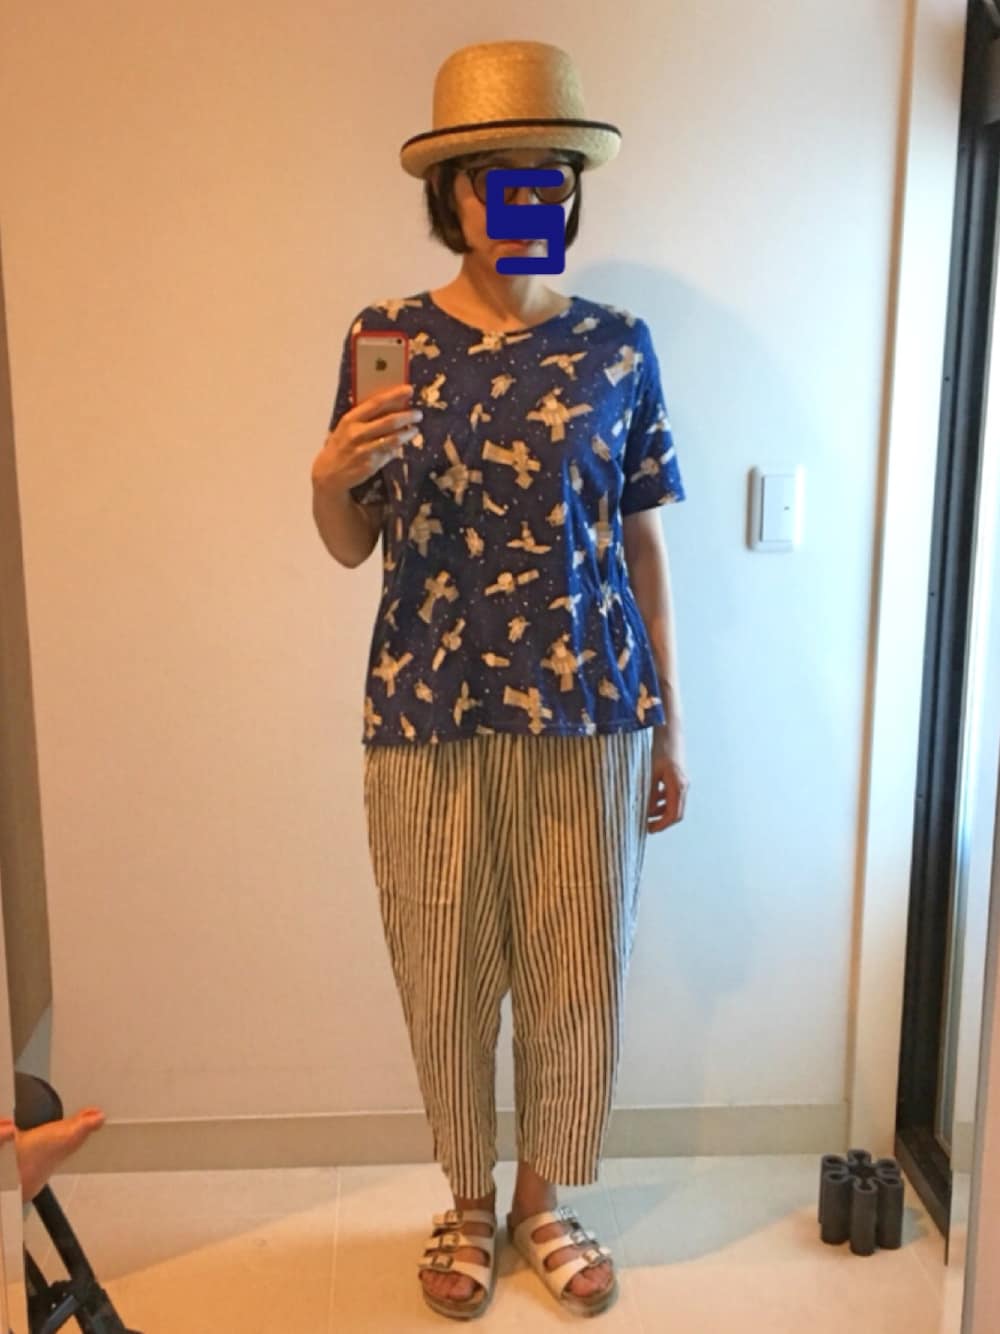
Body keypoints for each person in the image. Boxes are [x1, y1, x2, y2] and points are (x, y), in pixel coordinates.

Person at [311, 39, 689, 1321]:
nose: (524, 199)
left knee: (578, 969)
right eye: (496, 177)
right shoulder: (386, 339)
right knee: (447, 968)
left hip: (592, 710)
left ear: (569, 193)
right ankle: (465, 1198)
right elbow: (352, 542)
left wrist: (673, 729)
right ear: (452, 194)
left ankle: (541, 1198)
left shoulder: (619, 347)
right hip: (428, 709)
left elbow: (641, 544)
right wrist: (327, 477)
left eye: (547, 177)